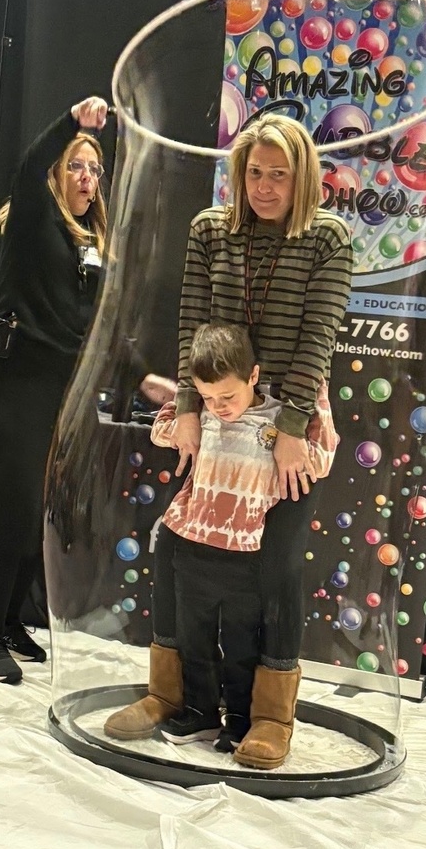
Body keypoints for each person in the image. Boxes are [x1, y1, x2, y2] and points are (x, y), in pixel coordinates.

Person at [104, 113, 353, 768]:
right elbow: (192, 319)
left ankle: (268, 715)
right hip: (217, 411)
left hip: (288, 419)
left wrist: (291, 430)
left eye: (279, 175)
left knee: (274, 567)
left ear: (302, 178)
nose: (265, 187)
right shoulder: (210, 230)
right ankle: (174, 695)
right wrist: (189, 407)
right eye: (255, 173)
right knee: (174, 549)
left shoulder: (327, 238)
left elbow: (318, 336)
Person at [0, 97, 113, 685]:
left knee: (38, 510)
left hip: (60, 388)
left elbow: (100, 324)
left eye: (94, 169)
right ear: (57, 175)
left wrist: (140, 376)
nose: (85, 177)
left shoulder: (92, 240)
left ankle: (13, 622)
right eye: (75, 166)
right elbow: (30, 165)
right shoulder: (36, 219)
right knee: (11, 507)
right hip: (17, 382)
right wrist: (73, 123)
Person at [147, 323, 336, 755]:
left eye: (227, 396)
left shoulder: (278, 424)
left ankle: (240, 719)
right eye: (208, 397)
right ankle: (198, 711)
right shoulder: (201, 417)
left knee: (240, 643)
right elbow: (162, 429)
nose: (220, 407)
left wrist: (319, 396)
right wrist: (184, 404)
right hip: (192, 547)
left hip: (246, 555)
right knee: (193, 637)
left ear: (254, 376)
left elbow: (321, 458)